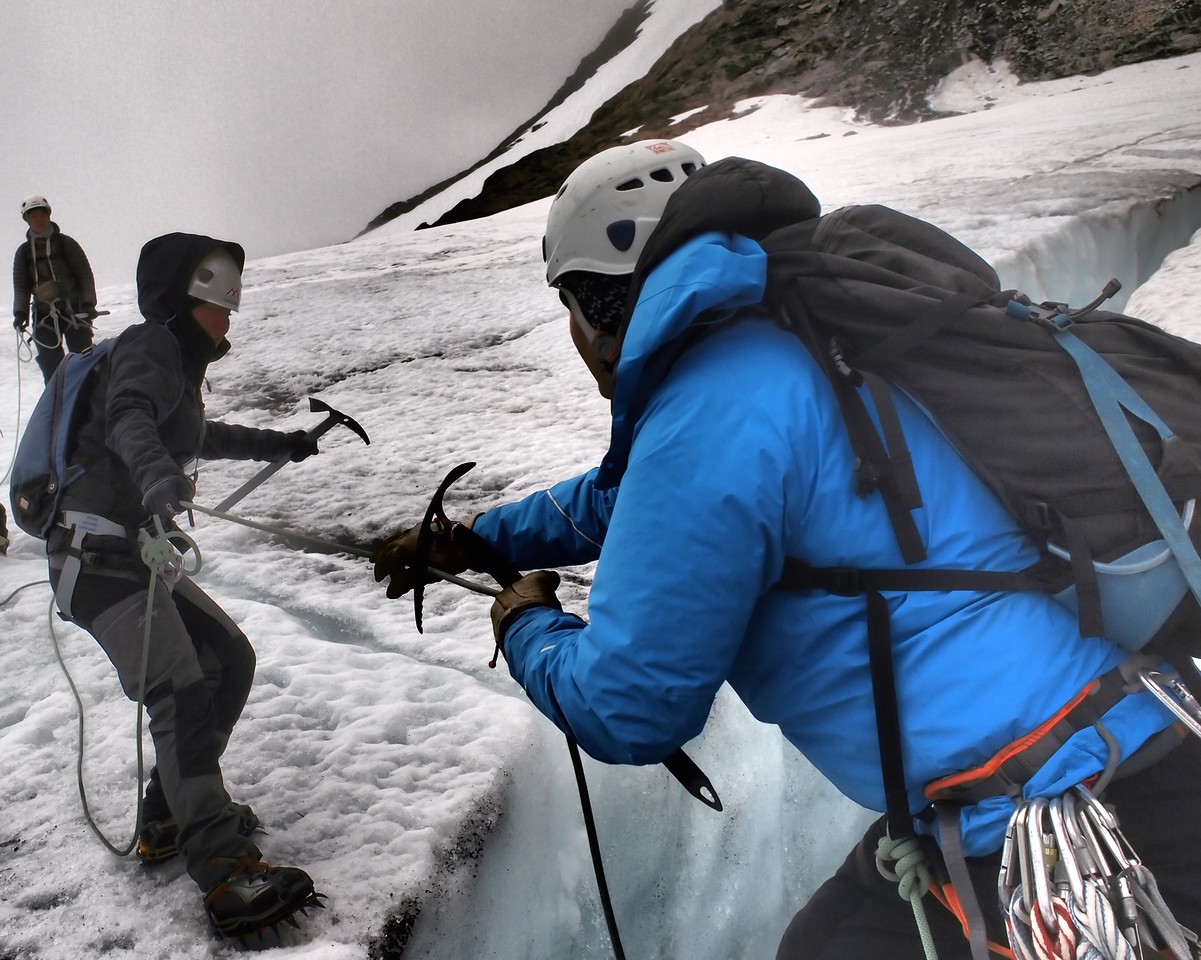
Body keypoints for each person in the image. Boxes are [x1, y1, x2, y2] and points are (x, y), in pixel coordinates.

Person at [371, 140, 1201, 959]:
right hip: (1128, 740)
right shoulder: (802, 339)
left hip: (1046, 825)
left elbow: (630, 704)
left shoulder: (712, 405)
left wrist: (527, 628)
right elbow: (632, 499)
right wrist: (479, 538)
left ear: (596, 304)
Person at [47, 232, 322, 943]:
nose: (228, 316)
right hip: (95, 557)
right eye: (218, 304)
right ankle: (226, 872)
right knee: (180, 689)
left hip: (131, 555)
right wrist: (156, 478)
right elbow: (129, 419)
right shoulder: (149, 346)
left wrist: (281, 443)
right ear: (180, 300)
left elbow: (197, 434)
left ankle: (168, 816)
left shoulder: (177, 366)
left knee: (229, 658)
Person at [12, 195, 99, 383]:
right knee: (51, 368)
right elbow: (21, 286)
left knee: (84, 362)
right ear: (27, 220)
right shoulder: (23, 252)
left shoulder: (66, 243)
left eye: (41, 214)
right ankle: (58, 400)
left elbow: (84, 274)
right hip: (44, 315)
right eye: (33, 216)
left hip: (74, 310)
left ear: (49, 215)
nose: (39, 220)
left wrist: (89, 304)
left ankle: (90, 398)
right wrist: (20, 314)